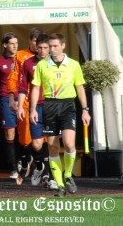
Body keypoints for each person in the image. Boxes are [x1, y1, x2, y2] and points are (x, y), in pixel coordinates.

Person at [30, 33, 91, 197]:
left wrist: (85, 109)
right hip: (49, 106)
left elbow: (79, 87)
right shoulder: (42, 65)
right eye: (50, 46)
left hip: (68, 106)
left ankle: (68, 175)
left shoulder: (74, 65)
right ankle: (59, 185)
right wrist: (33, 109)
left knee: (70, 144)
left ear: (63, 46)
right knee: (52, 146)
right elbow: (35, 88)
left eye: (56, 46)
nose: (52, 49)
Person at [17, 34, 57, 189]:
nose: (42, 51)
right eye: (39, 47)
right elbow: (22, 87)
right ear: (35, 47)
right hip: (36, 107)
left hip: (53, 106)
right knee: (36, 143)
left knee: (53, 142)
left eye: (45, 48)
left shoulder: (55, 63)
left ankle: (52, 177)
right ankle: (39, 166)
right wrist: (20, 106)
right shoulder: (28, 63)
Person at [7, 27, 44, 180]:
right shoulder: (21, 56)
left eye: (41, 43)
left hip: (46, 103)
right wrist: (12, 98)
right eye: (36, 42)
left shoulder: (48, 58)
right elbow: (13, 78)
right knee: (25, 137)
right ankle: (26, 158)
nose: (38, 46)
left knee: (45, 139)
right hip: (26, 102)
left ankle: (45, 172)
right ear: (30, 41)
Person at [0, 32, 18, 179]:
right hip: (5, 99)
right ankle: (13, 168)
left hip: (22, 98)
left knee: (27, 132)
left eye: (16, 43)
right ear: (5, 45)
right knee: (9, 133)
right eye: (12, 43)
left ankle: (25, 161)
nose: (15, 46)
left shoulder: (23, 59)